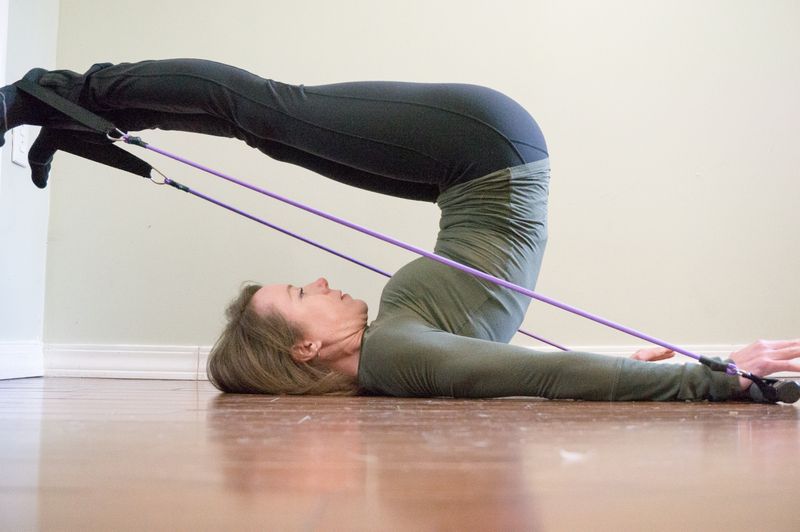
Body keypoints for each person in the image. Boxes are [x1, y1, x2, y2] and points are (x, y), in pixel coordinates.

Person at [2, 59, 798, 400]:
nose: (315, 279)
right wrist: (716, 376)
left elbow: (513, 370)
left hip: (471, 165)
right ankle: (56, 91)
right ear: (305, 348)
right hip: (484, 149)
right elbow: (548, 380)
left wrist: (652, 363)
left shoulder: (399, 355)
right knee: (269, 110)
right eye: (297, 294)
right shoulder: (396, 354)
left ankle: (79, 118)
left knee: (269, 125)